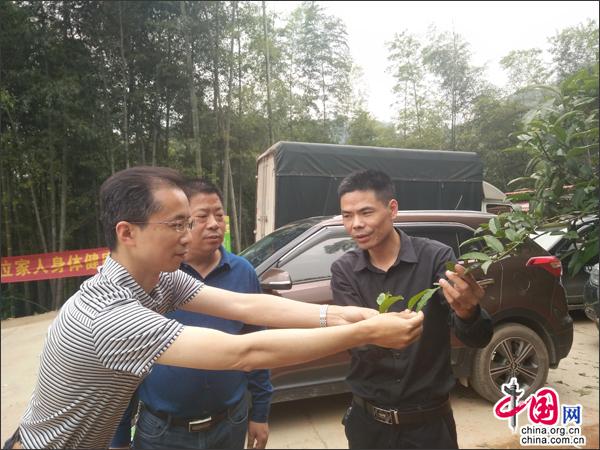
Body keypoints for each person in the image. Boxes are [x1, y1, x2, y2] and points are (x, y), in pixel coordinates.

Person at [4, 166, 425, 450]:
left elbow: (245, 305)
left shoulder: (160, 279)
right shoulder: (110, 315)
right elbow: (242, 353)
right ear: (127, 232)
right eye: (177, 225)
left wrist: (341, 314)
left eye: (191, 222)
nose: (189, 236)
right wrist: (365, 333)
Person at [330, 169, 493, 449]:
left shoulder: (436, 258)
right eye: (347, 215)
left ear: (392, 209)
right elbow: (358, 343)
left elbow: (477, 337)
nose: (356, 224)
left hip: (429, 427)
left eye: (366, 212)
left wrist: (468, 312)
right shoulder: (345, 270)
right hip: (368, 427)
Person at [111, 179, 273, 450]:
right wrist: (118, 439)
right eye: (200, 217)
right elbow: (123, 371)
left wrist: (260, 411)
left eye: (219, 215)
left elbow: (256, 338)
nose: (214, 224)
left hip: (229, 422)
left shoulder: (243, 271)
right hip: (164, 430)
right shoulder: (154, 277)